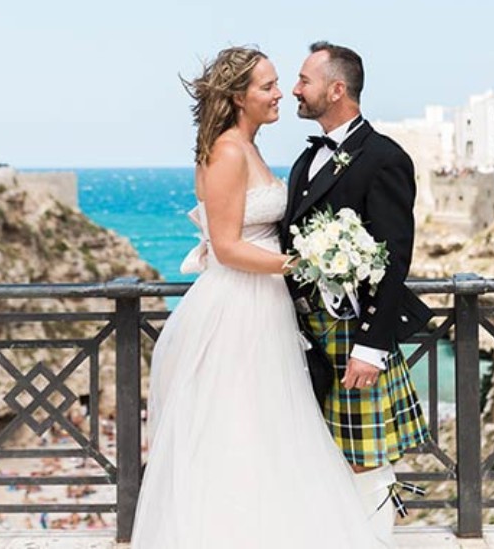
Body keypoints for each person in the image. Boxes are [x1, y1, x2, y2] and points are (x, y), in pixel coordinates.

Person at [131, 46, 385, 549]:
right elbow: (227, 247)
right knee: (239, 424)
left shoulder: (248, 146)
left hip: (264, 302)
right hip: (238, 305)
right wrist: (306, 263)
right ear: (238, 97)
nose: (280, 94)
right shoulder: (228, 151)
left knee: (266, 424)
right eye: (268, 86)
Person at [281, 41, 433, 544]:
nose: (295, 89)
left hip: (353, 334)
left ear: (336, 89)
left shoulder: (385, 158)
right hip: (308, 333)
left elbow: (393, 259)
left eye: (304, 80)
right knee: (323, 450)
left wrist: (371, 346)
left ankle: (375, 541)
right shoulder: (308, 158)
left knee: (364, 455)